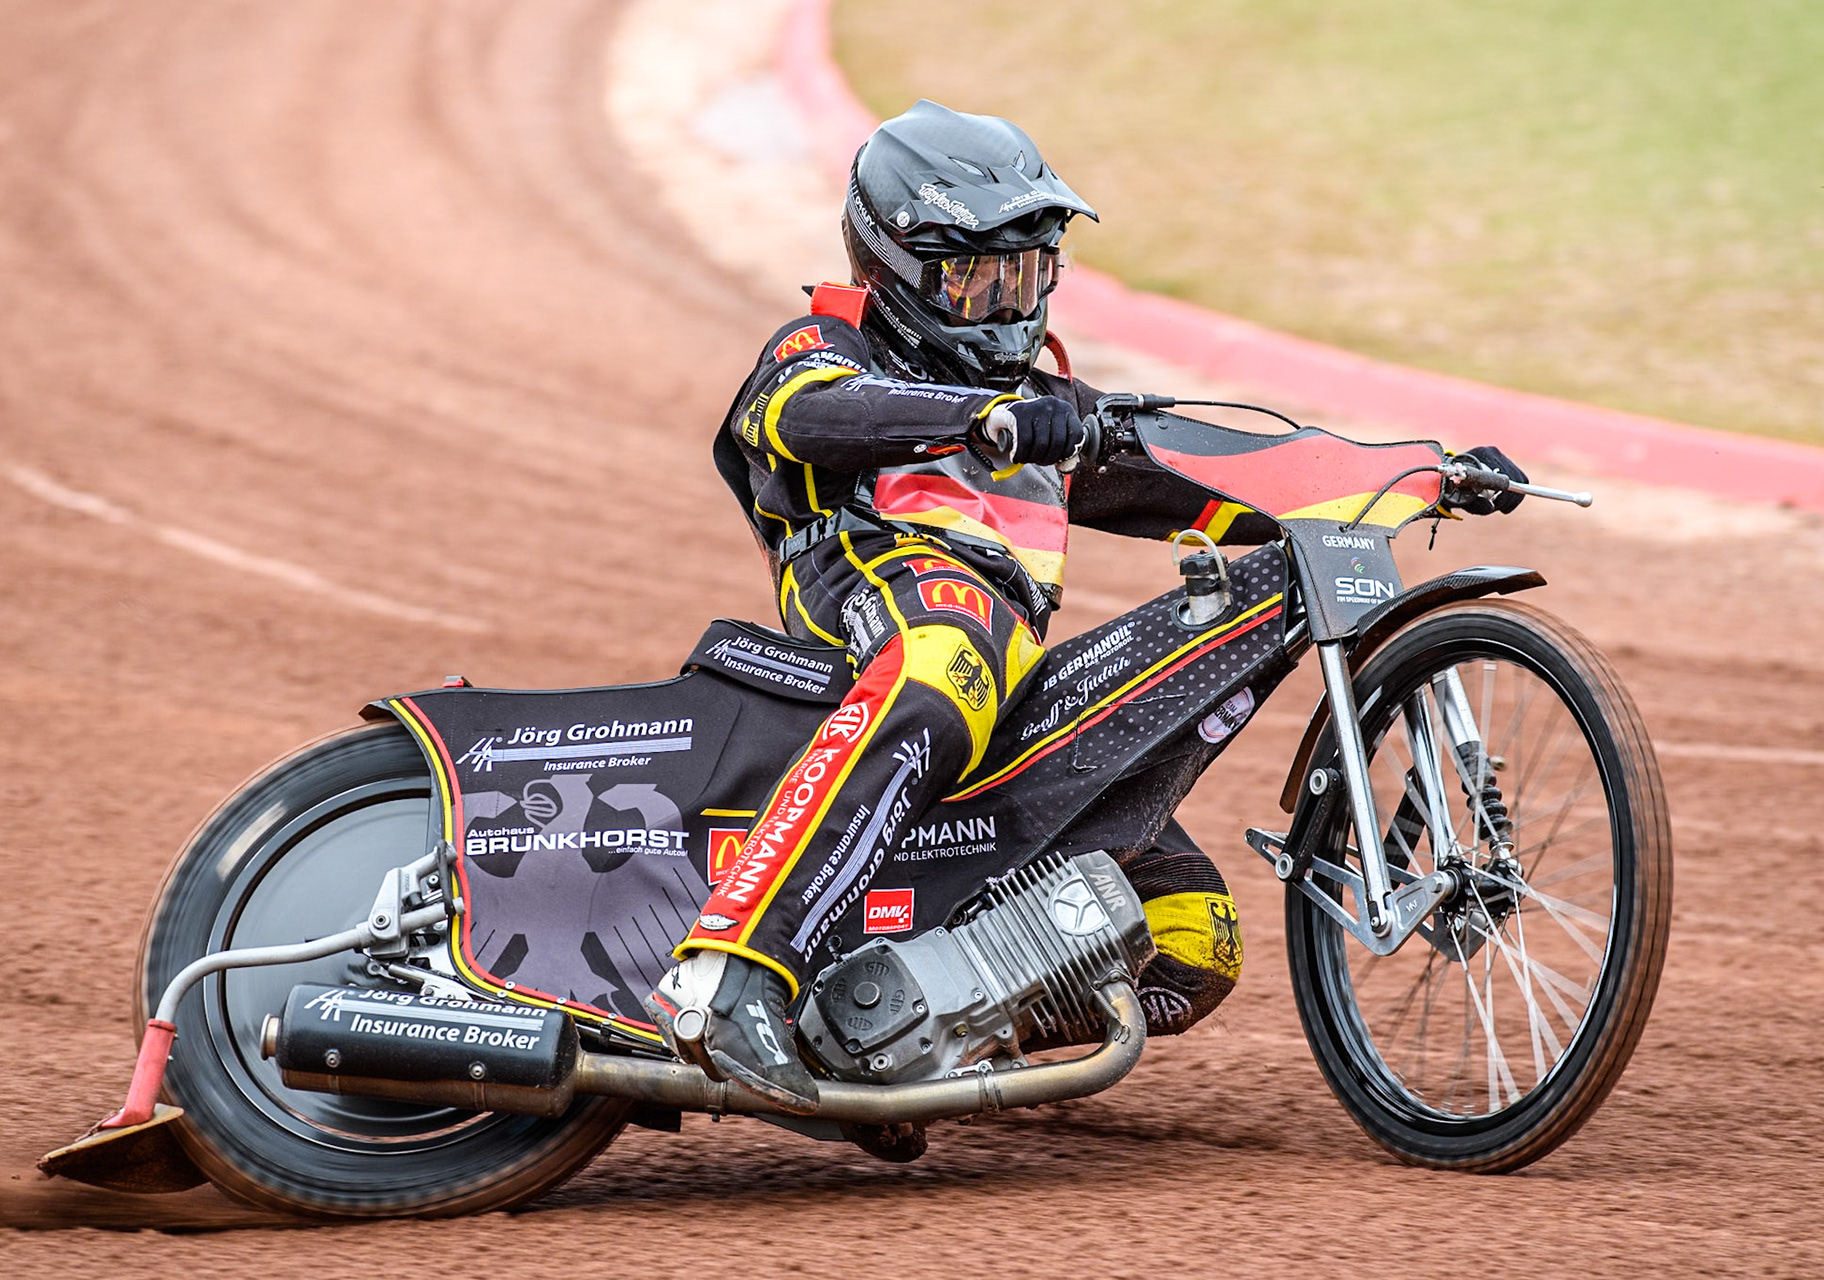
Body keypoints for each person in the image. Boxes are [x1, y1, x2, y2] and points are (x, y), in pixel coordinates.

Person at [645, 100, 1526, 1114]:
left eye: (1028, 273)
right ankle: (730, 972)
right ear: (895, 269)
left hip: (1006, 701)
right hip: (883, 646)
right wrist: (983, 417)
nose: (1008, 304)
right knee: (949, 655)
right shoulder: (824, 346)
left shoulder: (1045, 412)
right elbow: (807, 414)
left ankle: (911, 1041)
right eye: (979, 278)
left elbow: (1227, 471)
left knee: (1193, 934)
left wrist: (1415, 470)